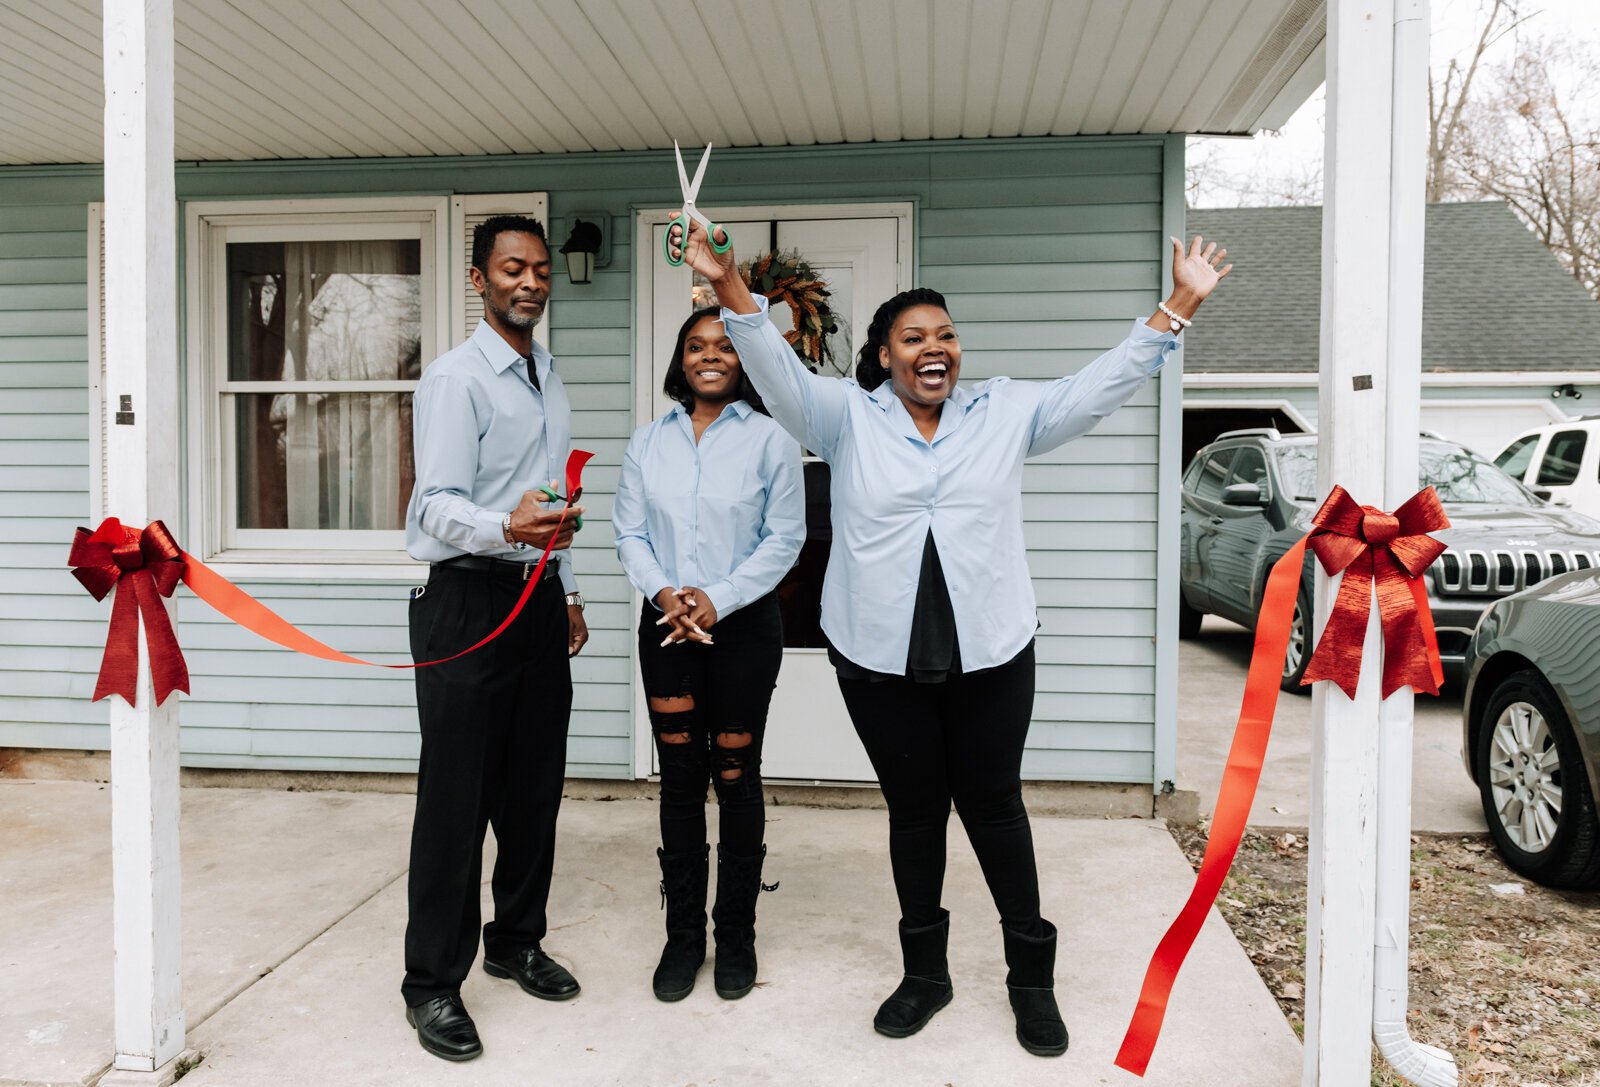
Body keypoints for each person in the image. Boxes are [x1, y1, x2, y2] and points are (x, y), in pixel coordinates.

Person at [672, 219, 1230, 1057]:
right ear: (886, 355)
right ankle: (926, 975)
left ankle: (1030, 982)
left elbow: (1096, 387)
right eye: (914, 338)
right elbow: (774, 367)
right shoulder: (843, 420)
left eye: (946, 335)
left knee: (995, 806)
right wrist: (726, 285)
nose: (935, 348)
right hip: (877, 656)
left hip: (991, 651)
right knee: (916, 812)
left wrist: (1179, 304)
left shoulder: (1004, 411)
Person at [400, 214, 591, 1063]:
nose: (531, 282)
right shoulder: (456, 378)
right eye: (514, 268)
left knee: (532, 787)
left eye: (541, 270)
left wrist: (568, 586)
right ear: (479, 279)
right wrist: (506, 530)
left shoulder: (548, 375)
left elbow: (549, 497)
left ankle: (515, 939)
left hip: (537, 603)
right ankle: (433, 983)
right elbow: (432, 507)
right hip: (467, 605)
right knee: (456, 801)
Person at [612, 307, 805, 1002]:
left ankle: (736, 936)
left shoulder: (771, 440)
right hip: (666, 627)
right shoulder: (647, 442)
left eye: (724, 346)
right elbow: (629, 531)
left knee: (734, 772)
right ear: (681, 359)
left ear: (743, 359)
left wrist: (715, 600)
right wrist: (668, 593)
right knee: (680, 777)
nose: (710, 356)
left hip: (743, 629)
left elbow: (784, 539)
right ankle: (683, 936)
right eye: (695, 345)